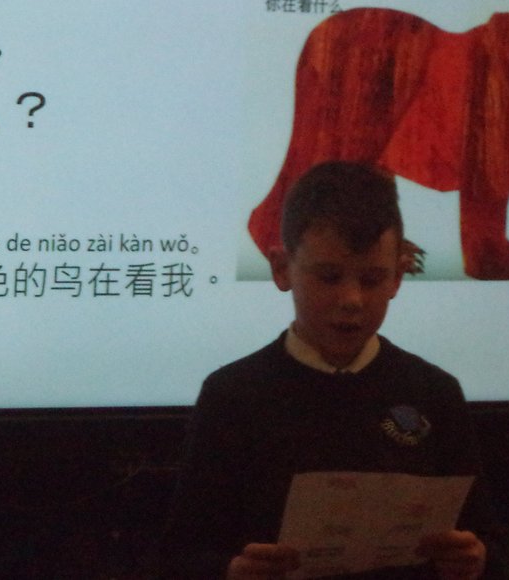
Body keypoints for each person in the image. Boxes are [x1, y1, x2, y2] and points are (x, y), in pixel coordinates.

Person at [160, 160, 492, 580]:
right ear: (282, 268)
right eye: (329, 277)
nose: (351, 300)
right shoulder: (233, 395)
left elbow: (482, 536)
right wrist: (232, 571)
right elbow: (181, 554)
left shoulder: (435, 393)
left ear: (398, 277)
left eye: (372, 279)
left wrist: (474, 559)